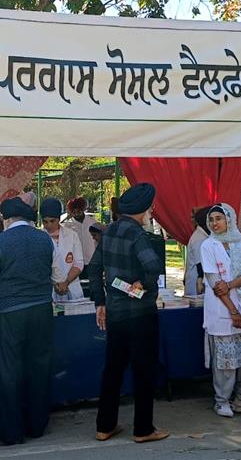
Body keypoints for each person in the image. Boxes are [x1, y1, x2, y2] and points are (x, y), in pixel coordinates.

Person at [91, 183, 169, 444]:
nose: (151, 213)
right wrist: (142, 285)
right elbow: (153, 266)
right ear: (144, 210)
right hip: (141, 314)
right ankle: (143, 429)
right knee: (143, 370)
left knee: (112, 369)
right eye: (150, 209)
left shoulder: (109, 231)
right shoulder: (137, 234)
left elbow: (94, 269)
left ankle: (105, 426)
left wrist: (100, 302)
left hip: (116, 313)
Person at [0, 197, 55, 446]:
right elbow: (58, 274)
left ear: (7, 219)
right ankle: (37, 425)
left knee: (9, 370)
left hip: (10, 313)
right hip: (42, 309)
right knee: (39, 366)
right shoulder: (45, 239)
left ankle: (12, 432)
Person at [200, 203, 241, 417]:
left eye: (218, 218)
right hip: (222, 308)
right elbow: (214, 282)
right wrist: (233, 311)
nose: (214, 223)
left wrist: (230, 285)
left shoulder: (239, 242)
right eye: (211, 220)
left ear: (229, 220)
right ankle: (222, 401)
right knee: (225, 360)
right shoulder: (208, 245)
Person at [41, 198, 85, 300]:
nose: (49, 225)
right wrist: (55, 284)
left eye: (52, 221)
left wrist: (66, 282)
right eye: (45, 222)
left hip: (72, 287)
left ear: (59, 218)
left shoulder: (72, 235)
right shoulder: (39, 238)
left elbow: (78, 263)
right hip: (48, 291)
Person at [63, 196, 97, 268]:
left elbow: (97, 241)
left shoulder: (92, 222)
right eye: (74, 212)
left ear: (83, 210)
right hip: (75, 263)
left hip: (91, 261)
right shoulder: (68, 226)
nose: (76, 214)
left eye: (78, 212)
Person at [185, 206, 211, 296]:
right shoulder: (200, 238)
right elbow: (200, 263)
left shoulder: (202, 235)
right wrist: (200, 280)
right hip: (196, 283)